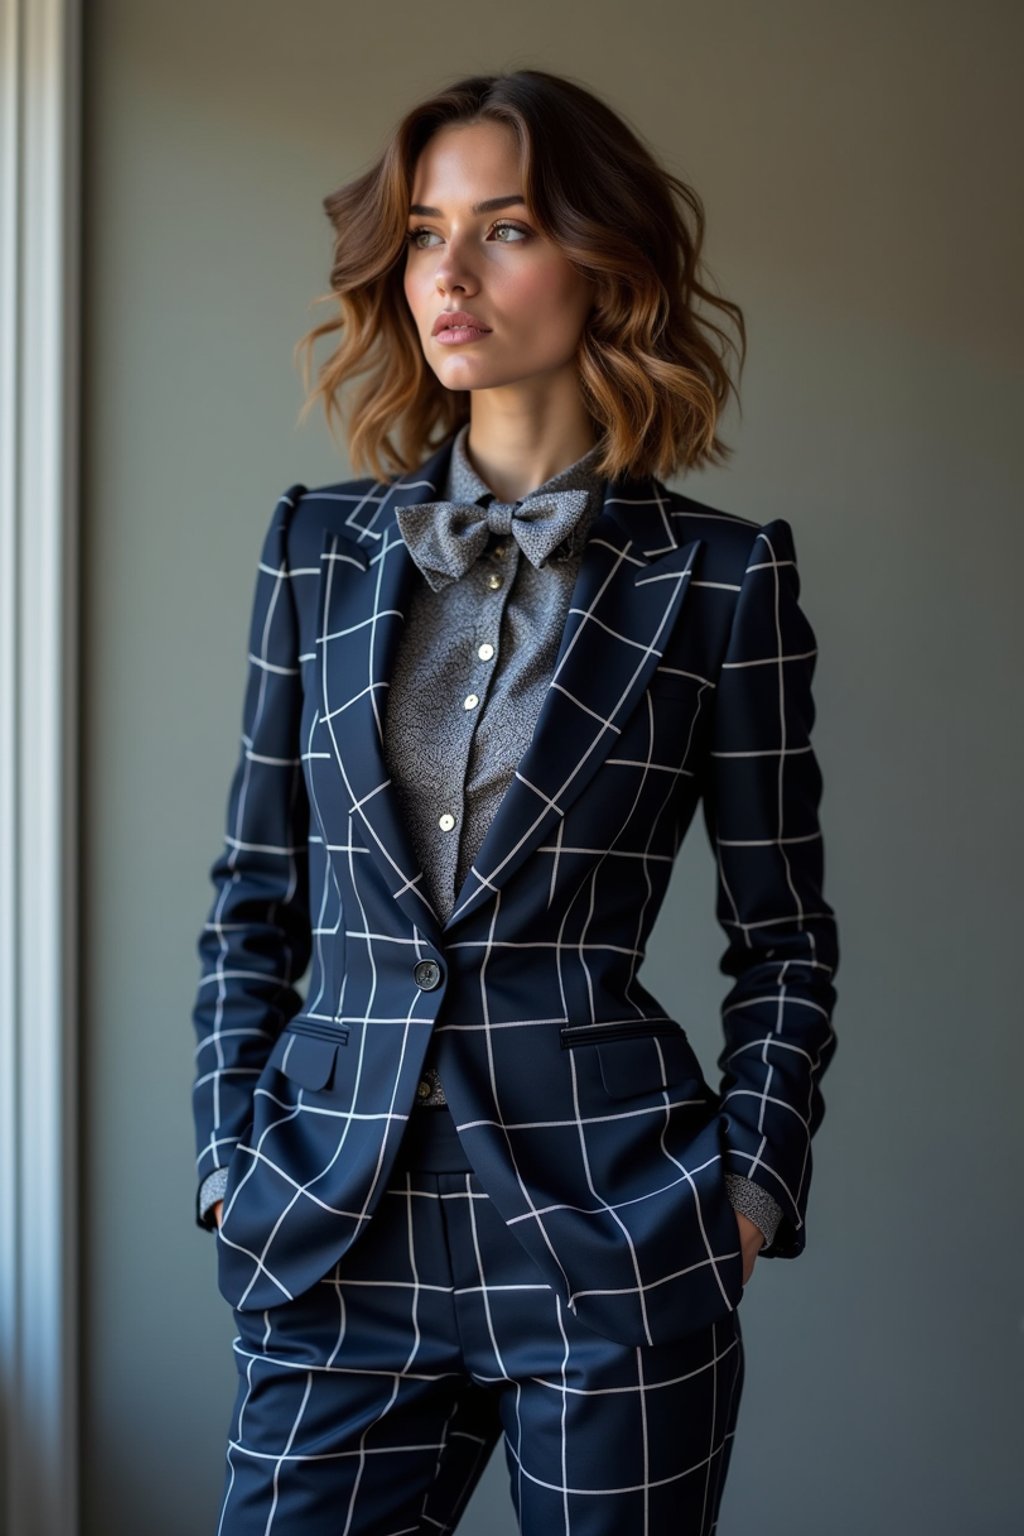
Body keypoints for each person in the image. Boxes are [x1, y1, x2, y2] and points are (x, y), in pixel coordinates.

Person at [190, 67, 840, 1536]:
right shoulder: (315, 549)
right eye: (424, 233)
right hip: (331, 1223)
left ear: (603, 264)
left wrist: (746, 1193)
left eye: (507, 228)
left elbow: (786, 935)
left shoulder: (722, 581)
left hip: (610, 1232)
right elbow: (254, 896)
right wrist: (231, 1153)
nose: (451, 276)